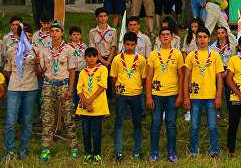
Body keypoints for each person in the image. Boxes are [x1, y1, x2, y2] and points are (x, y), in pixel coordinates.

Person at [36, 20, 78, 161]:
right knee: (47, 117)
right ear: (49, 33)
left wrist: (70, 89)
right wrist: (36, 63)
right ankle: (46, 148)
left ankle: (73, 147)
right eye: (52, 31)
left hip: (64, 85)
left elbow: (72, 71)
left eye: (57, 31)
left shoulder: (68, 49)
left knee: (68, 117)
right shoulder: (43, 50)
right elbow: (40, 71)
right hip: (48, 85)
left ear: (62, 33)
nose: (54, 33)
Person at [146, 27, 185, 162]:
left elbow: (181, 76)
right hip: (156, 94)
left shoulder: (177, 54)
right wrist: (149, 96)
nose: (165, 37)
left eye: (168, 34)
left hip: (172, 94)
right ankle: (154, 152)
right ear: (159, 38)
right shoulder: (153, 55)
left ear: (172, 37)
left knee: (171, 123)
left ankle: (171, 152)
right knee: (156, 123)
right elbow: (149, 77)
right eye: (163, 35)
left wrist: (180, 95)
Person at [183, 27, 223, 158]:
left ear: (209, 39)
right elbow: (186, 78)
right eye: (199, 37)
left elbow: (219, 78)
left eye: (204, 37)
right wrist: (186, 97)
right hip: (195, 96)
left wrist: (218, 97)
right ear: (196, 39)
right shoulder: (190, 56)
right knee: (194, 126)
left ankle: (214, 151)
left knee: (212, 126)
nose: (202, 39)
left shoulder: (215, 55)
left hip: (211, 96)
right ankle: (194, 151)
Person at [2, 23, 39, 163]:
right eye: (24, 35)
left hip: (30, 87)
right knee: (11, 120)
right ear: (18, 36)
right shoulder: (12, 50)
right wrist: (16, 80)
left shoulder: (34, 51)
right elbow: (7, 69)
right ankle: (9, 150)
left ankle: (22, 149)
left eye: (29, 36)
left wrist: (36, 64)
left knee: (28, 120)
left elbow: (39, 72)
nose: (27, 38)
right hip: (14, 87)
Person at [109, 32, 147, 161]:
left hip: (136, 94)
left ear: (136, 45)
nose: (130, 47)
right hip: (122, 95)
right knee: (119, 123)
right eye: (127, 44)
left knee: (137, 123)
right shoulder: (117, 59)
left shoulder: (141, 59)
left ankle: (137, 150)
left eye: (132, 45)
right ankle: (118, 152)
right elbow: (113, 77)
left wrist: (137, 87)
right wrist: (118, 89)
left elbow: (143, 78)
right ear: (123, 44)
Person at [76, 47, 109, 163]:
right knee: (85, 131)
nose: (91, 59)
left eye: (94, 56)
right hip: (85, 106)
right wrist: (86, 102)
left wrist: (90, 100)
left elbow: (102, 86)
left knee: (96, 131)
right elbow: (79, 89)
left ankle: (97, 153)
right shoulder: (82, 72)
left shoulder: (102, 69)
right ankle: (87, 152)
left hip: (98, 105)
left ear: (97, 57)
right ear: (85, 58)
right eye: (89, 56)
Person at [212, 26, 236, 120]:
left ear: (226, 34)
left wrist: (226, 71)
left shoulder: (231, 46)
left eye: (222, 33)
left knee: (228, 91)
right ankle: (217, 112)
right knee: (217, 91)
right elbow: (213, 61)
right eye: (219, 33)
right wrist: (219, 72)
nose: (221, 35)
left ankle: (230, 112)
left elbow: (233, 60)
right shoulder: (213, 47)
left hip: (228, 70)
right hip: (217, 70)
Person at [68, 26, 86, 113]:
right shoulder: (67, 47)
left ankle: (80, 109)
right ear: (70, 36)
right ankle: (73, 110)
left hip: (82, 71)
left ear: (81, 35)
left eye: (78, 34)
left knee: (81, 91)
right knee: (73, 91)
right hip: (72, 72)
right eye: (74, 35)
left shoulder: (84, 46)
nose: (76, 36)